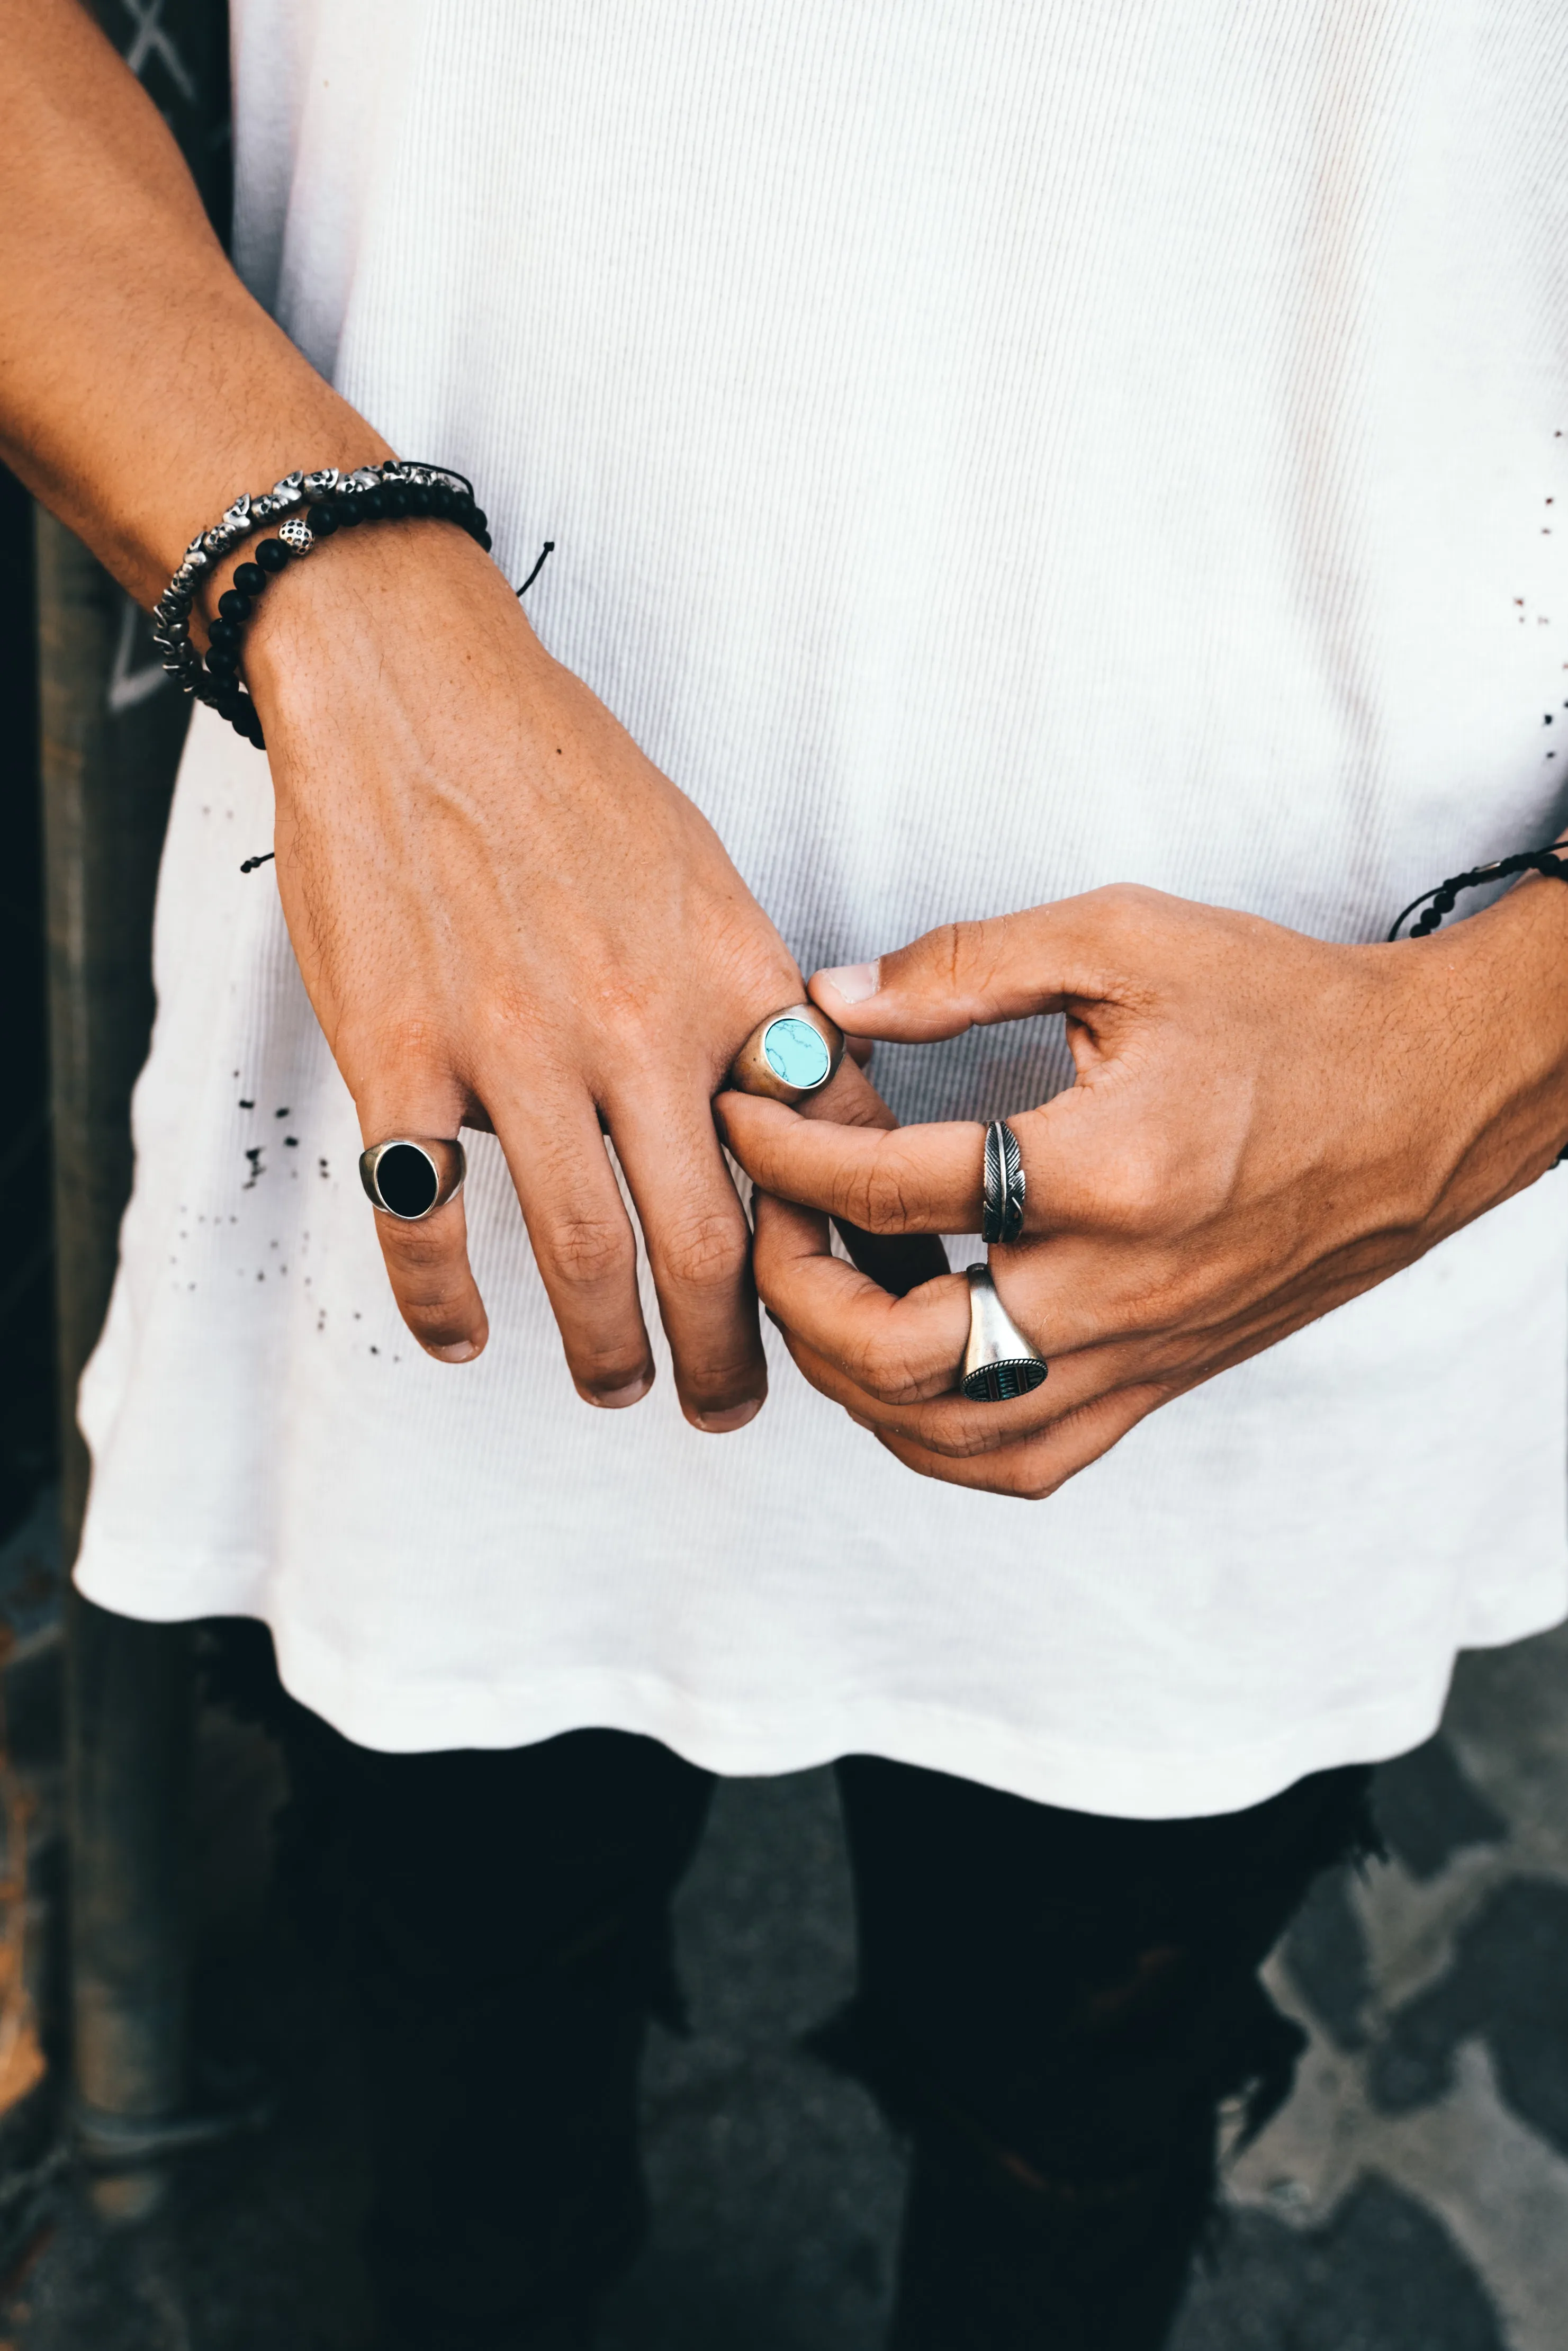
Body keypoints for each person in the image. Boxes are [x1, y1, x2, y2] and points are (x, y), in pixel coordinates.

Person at [4, 3, 1566, 2346]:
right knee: (451, 1999)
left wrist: (1492, 1051)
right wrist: (335, 591)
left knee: (1083, 2095)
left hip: (1301, 1126)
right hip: (423, 1051)